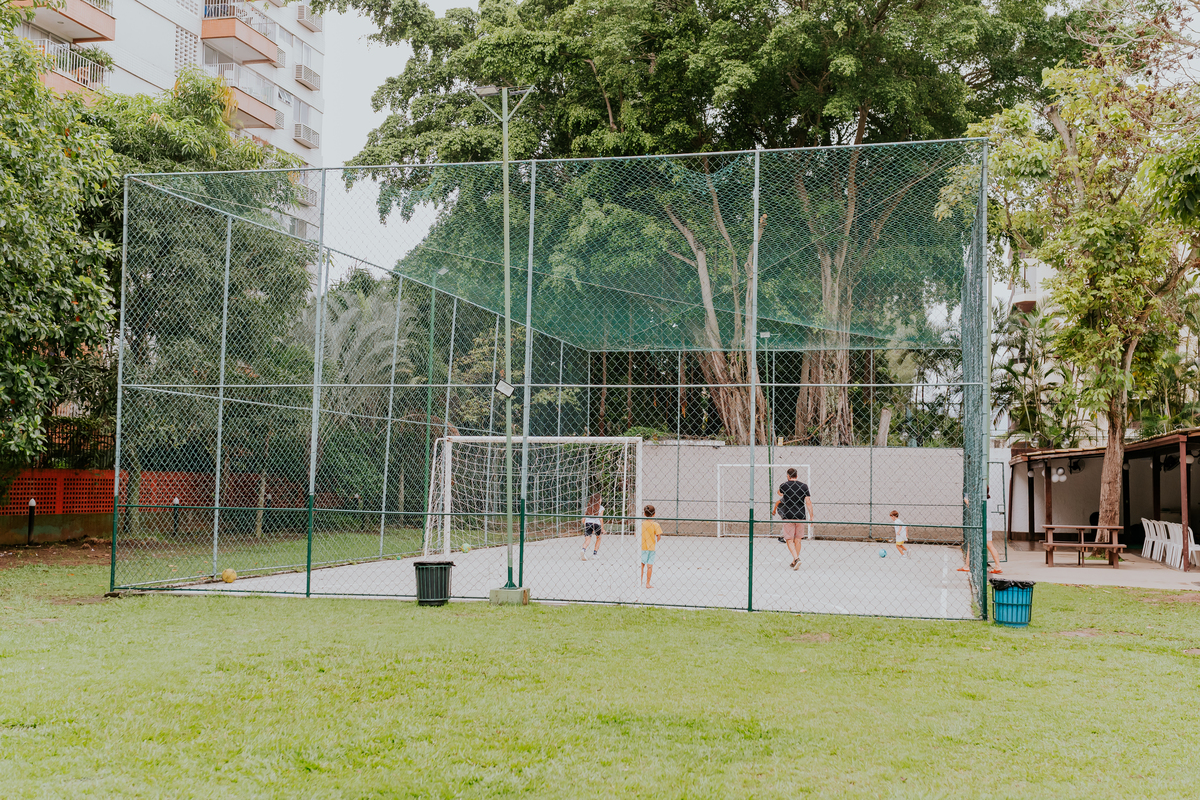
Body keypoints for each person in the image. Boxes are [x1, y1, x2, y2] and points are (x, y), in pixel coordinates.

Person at [772, 467, 815, 571]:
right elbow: (808, 502)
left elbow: (779, 493)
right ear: (797, 475)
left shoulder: (784, 485)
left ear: (788, 476)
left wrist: (785, 491)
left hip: (788, 515)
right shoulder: (804, 486)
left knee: (789, 539)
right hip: (800, 515)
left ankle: (796, 558)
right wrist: (811, 516)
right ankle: (794, 561)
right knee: (798, 539)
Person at [640, 504, 662, 588]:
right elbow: (658, 536)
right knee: (650, 566)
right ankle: (647, 583)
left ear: (644, 514)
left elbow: (635, 534)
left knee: (641, 566)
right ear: (654, 514)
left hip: (642, 547)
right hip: (651, 548)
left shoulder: (641, 524)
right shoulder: (656, 525)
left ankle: (639, 582)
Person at [581, 493, 604, 561]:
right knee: (599, 538)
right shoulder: (601, 508)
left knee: (587, 540)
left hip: (588, 523)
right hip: (596, 524)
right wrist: (602, 528)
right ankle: (594, 554)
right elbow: (601, 518)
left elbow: (583, 519)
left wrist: (586, 525)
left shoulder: (588, 508)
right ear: (599, 500)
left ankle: (583, 549)